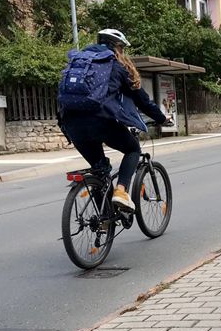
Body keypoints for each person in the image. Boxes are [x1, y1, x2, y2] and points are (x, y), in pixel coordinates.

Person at [59, 29, 170, 212]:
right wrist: (161, 118)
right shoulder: (114, 66)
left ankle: (104, 221)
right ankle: (121, 191)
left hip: (71, 124)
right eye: (122, 49)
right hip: (100, 122)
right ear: (117, 47)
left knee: (99, 169)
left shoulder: (78, 63)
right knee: (133, 148)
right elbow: (141, 99)